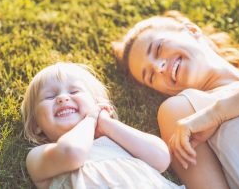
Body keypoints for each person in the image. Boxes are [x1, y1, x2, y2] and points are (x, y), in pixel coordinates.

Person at [112, 11, 239, 189]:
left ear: (191, 30)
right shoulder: (183, 112)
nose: (159, 67)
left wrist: (217, 114)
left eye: (158, 48)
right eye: (151, 76)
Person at [21, 62, 184, 189]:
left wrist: (107, 124)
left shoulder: (117, 140)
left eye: (74, 92)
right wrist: (90, 119)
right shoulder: (41, 155)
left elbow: (161, 158)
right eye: (49, 96)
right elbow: (72, 153)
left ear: (98, 105)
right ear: (36, 125)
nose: (63, 98)